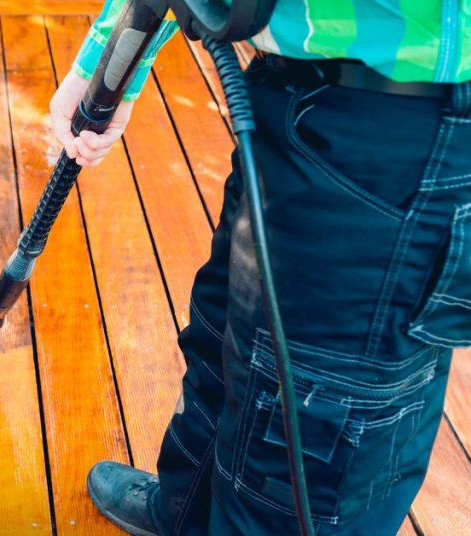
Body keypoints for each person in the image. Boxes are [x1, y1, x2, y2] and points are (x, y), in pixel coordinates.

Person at [50, 1, 471, 534]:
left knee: (307, 435)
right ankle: (186, 516)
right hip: (289, 90)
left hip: (406, 133)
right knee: (226, 340)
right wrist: (109, 66)